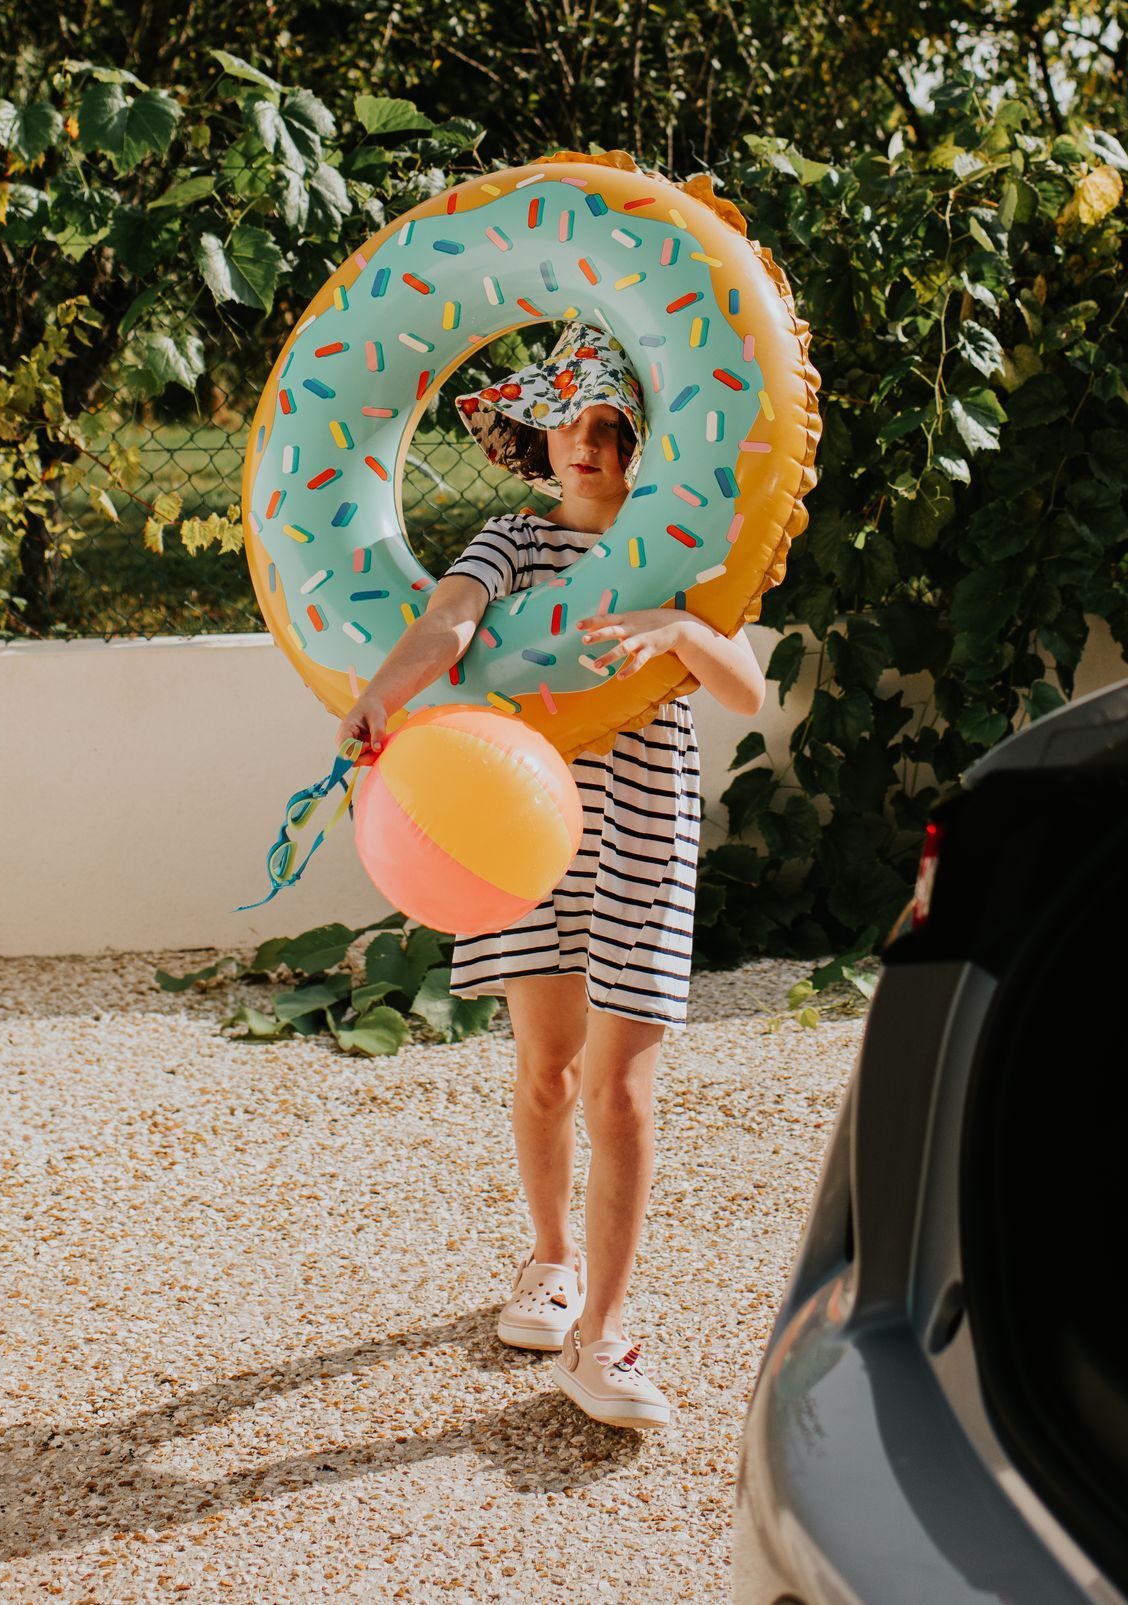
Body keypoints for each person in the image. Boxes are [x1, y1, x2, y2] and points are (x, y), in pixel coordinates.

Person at [338, 323, 766, 1431]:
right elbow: (450, 620)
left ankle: (603, 1334)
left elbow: (745, 689)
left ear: (640, 439)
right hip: (526, 826)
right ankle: (551, 1260)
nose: (588, 443)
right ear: (538, 433)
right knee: (548, 1071)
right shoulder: (512, 541)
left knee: (623, 1090)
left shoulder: (677, 543)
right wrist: (382, 693)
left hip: (643, 823)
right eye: (569, 420)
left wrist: (676, 624)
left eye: (610, 423)